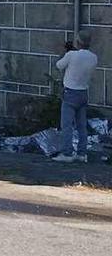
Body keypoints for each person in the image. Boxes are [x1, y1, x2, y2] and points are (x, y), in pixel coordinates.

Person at [53, 30, 98, 163]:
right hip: (83, 93)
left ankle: (67, 153)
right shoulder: (93, 57)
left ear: (78, 41)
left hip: (70, 92)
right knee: (81, 125)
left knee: (66, 125)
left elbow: (59, 65)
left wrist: (66, 53)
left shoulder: (72, 55)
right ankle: (82, 153)